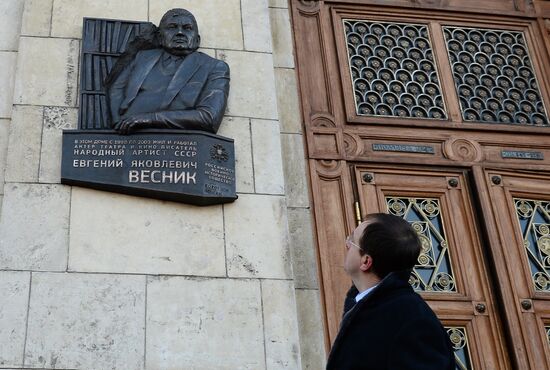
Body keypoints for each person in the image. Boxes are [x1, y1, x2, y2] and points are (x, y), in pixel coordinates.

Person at [326, 213, 455, 370]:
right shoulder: (367, 305)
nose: (347, 244)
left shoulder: (412, 318)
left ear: (365, 261)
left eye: (352, 240)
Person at [107, 8, 230, 135]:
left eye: (187, 28)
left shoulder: (214, 67)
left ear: (197, 40)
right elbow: (116, 89)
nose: (180, 32)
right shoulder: (142, 57)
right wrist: (118, 121)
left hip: (176, 141)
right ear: (160, 37)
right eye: (172, 27)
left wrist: (148, 119)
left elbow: (209, 117)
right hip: (127, 135)